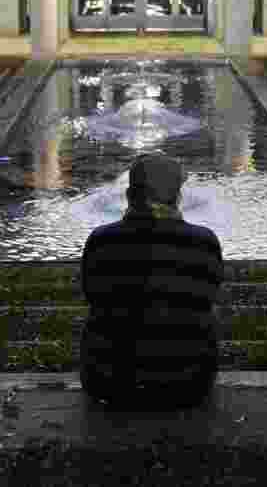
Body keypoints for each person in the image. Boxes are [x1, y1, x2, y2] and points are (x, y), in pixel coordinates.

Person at [80, 154, 224, 410]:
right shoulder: (204, 242)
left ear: (129, 195)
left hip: (109, 382)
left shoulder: (102, 240)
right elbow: (208, 296)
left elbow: (93, 296)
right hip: (189, 383)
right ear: (177, 196)